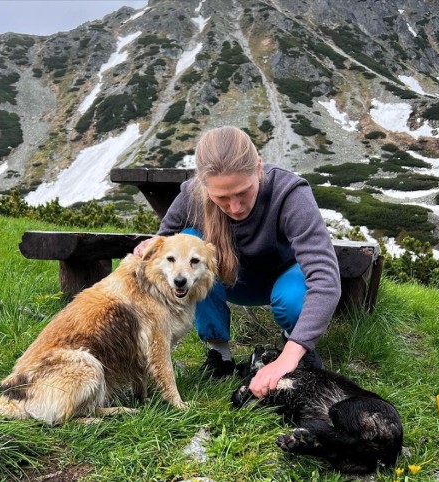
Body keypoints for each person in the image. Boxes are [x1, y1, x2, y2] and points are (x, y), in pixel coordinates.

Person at [134, 126, 341, 399]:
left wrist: (287, 358)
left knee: (292, 299)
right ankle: (220, 355)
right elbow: (165, 239)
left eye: (243, 192)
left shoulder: (290, 194)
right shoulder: (191, 194)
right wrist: (150, 245)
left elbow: (325, 278)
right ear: (204, 185)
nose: (235, 207)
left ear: (258, 168)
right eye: (221, 198)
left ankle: (298, 348)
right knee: (189, 242)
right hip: (229, 280)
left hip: (283, 279)